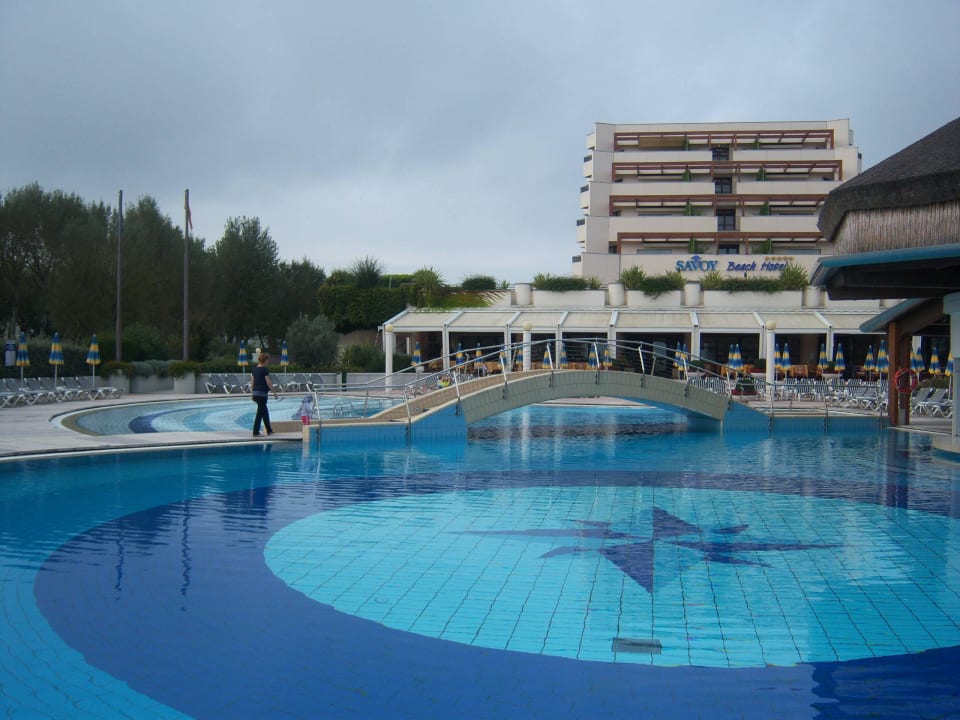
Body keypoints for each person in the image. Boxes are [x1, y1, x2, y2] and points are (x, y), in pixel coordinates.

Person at [250, 352, 279, 436]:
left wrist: (252, 394)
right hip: (262, 394)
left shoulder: (254, 370)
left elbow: (252, 383)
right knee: (260, 412)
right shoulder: (265, 370)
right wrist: (275, 394)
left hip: (255, 393)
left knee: (264, 411)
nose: (268, 362)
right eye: (267, 360)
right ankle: (255, 431)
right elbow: (269, 383)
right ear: (265, 360)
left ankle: (269, 430)